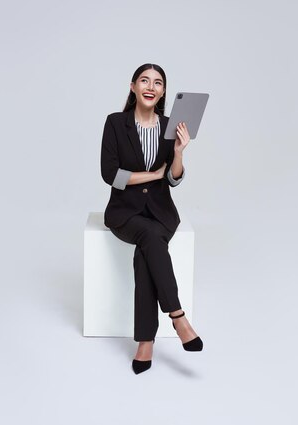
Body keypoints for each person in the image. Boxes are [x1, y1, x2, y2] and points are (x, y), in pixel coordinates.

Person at [100, 63, 204, 375]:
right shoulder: (116, 123)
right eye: (144, 80)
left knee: (149, 246)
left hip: (161, 212)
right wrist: (151, 174)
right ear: (133, 86)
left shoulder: (171, 125)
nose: (151, 86)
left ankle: (145, 341)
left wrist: (180, 153)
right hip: (124, 213)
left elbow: (173, 180)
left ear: (162, 92)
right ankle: (177, 315)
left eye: (158, 82)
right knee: (148, 237)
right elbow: (110, 175)